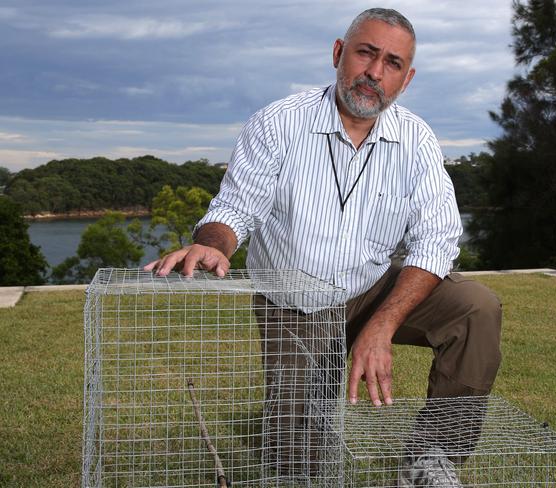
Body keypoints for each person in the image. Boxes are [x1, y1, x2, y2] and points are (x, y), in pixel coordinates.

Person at [145, 8, 501, 486]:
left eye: (392, 63)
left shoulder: (416, 139)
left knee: (475, 307)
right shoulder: (277, 123)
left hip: (372, 290)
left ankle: (431, 460)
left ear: (406, 78)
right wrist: (213, 246)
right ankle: (289, 421)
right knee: (300, 465)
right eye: (366, 53)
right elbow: (233, 209)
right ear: (338, 53)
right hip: (296, 305)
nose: (375, 72)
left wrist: (383, 323)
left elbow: (437, 239)